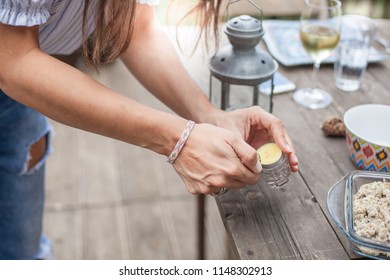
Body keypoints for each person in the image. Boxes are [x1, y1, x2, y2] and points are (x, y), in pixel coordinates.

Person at [0, 0, 299, 260]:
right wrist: (178, 139)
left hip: (17, 100)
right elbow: (13, 59)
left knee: (21, 251)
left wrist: (208, 115)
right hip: (17, 75)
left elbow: (134, 24)